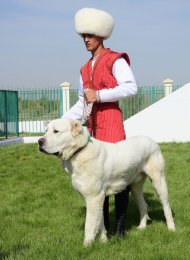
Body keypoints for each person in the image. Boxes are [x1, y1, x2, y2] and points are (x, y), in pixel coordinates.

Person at [62, 7, 137, 235]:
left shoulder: (115, 60)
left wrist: (101, 95)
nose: (86, 39)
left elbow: (131, 87)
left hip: (112, 122)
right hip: (92, 129)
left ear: (101, 35)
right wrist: (61, 121)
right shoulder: (84, 69)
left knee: (120, 172)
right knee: (97, 177)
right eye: (83, 35)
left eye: (90, 35)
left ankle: (121, 226)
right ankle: (103, 227)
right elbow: (81, 103)